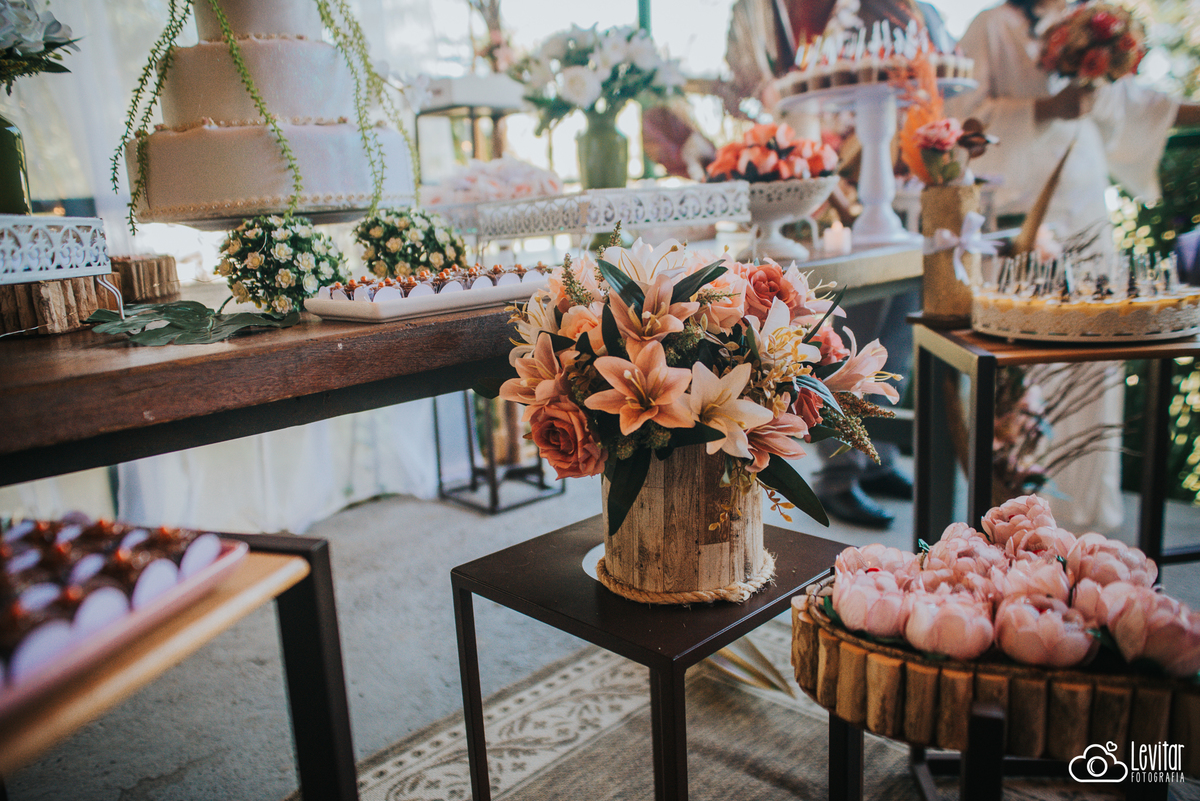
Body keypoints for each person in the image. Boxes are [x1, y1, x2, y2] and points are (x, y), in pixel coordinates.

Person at [946, 0, 1200, 530]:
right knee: (1025, 379)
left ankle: (1085, 521)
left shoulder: (1091, 27)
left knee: (1090, 368)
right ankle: (1016, 522)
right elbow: (960, 122)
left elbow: (1137, 106)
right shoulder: (992, 27)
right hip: (1022, 228)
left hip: (1088, 217)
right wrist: (1043, 109)